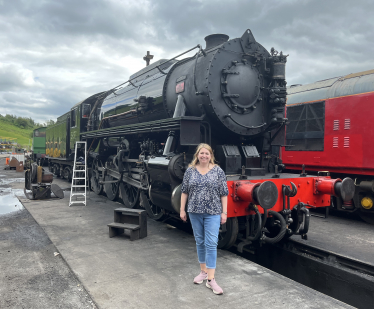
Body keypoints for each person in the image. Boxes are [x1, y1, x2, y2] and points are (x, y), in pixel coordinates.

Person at [180, 143, 228, 295]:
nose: (204, 156)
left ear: (211, 155)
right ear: (197, 155)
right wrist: (182, 209)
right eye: (202, 153)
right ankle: (203, 271)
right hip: (194, 211)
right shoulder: (190, 171)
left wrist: (224, 212)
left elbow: (224, 193)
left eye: (207, 153)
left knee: (211, 243)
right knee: (200, 241)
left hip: (213, 212)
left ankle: (211, 280)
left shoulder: (218, 171)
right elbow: (184, 191)